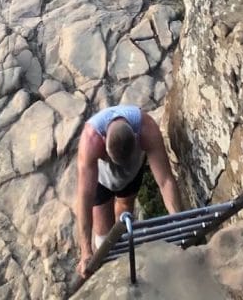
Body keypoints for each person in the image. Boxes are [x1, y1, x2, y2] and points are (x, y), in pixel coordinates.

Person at [76, 104, 183, 278]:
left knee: (125, 208)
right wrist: (85, 251)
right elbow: (85, 197)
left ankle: (124, 257)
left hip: (132, 173)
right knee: (104, 235)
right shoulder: (91, 140)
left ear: (136, 136)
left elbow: (165, 181)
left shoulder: (147, 130)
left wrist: (178, 222)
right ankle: (106, 267)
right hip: (102, 180)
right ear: (103, 142)